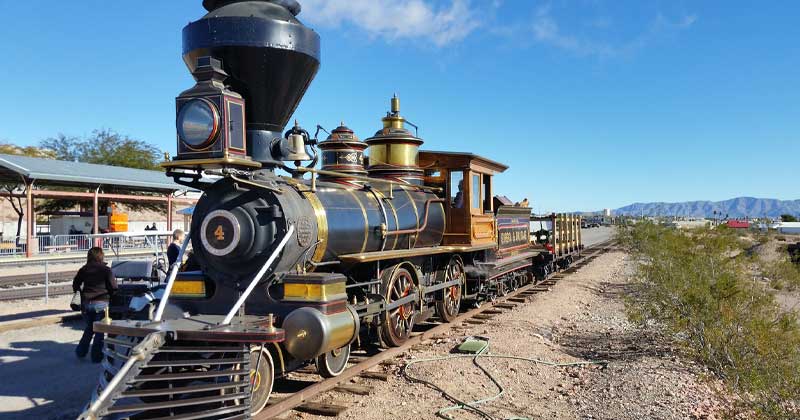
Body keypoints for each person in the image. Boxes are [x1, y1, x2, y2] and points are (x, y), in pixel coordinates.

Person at [72, 247, 117, 362]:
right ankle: (96, 356)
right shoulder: (106, 270)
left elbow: (75, 285)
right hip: (101, 304)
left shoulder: (84, 269)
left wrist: (82, 293)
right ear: (101, 256)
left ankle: (81, 352)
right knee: (100, 331)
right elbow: (113, 287)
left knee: (89, 329)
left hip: (87, 304)